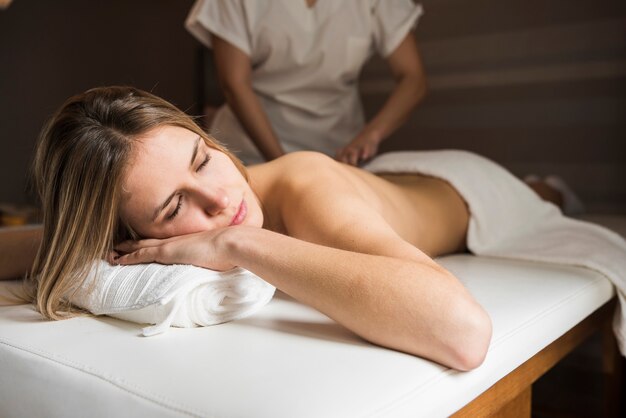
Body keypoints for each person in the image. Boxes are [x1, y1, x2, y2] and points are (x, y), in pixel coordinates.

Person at [3, 86, 584, 371]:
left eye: (204, 159)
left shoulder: (302, 187)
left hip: (467, 188)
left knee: (540, 194)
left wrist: (240, 243)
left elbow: (463, 334)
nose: (221, 199)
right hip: (379, 185)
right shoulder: (123, 236)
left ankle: (544, 185)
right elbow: (40, 247)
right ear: (125, 234)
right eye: (175, 204)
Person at [185, 0, 427, 166]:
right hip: (251, 151)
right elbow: (235, 84)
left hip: (342, 154)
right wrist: (284, 166)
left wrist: (370, 136)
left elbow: (412, 79)